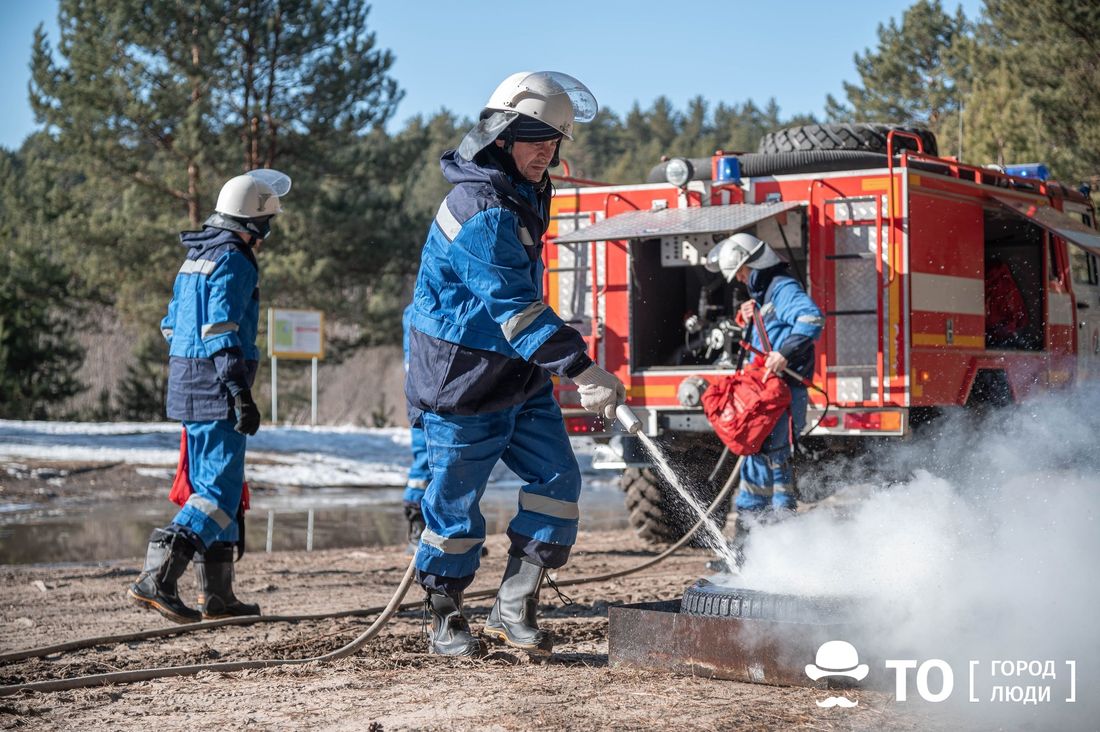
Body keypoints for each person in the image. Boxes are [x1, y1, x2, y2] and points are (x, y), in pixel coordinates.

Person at [405, 70, 623, 658]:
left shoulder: (521, 191)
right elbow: (515, 307)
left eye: (554, 142)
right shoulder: (480, 208)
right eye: (535, 140)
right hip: (464, 377)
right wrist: (582, 370)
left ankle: (512, 606)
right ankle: (446, 615)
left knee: (558, 481)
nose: (546, 153)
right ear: (501, 137)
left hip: (518, 372)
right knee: (454, 508)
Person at [127, 169, 291, 623]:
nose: (267, 233)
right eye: (267, 223)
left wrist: (195, 365)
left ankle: (217, 597)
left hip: (188, 382)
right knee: (219, 493)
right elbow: (220, 328)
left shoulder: (196, 256)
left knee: (212, 489)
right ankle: (156, 578)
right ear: (253, 222)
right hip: (216, 386)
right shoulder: (235, 258)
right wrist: (237, 389)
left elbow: (171, 325)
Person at [707, 232, 824, 567]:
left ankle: (772, 548)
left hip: (781, 393)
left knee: (774, 462)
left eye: (742, 272)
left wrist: (784, 353)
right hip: (768, 393)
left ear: (755, 264)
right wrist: (750, 315)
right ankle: (753, 547)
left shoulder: (783, 288)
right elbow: (774, 325)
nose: (741, 280)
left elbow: (811, 318)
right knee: (760, 461)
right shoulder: (767, 295)